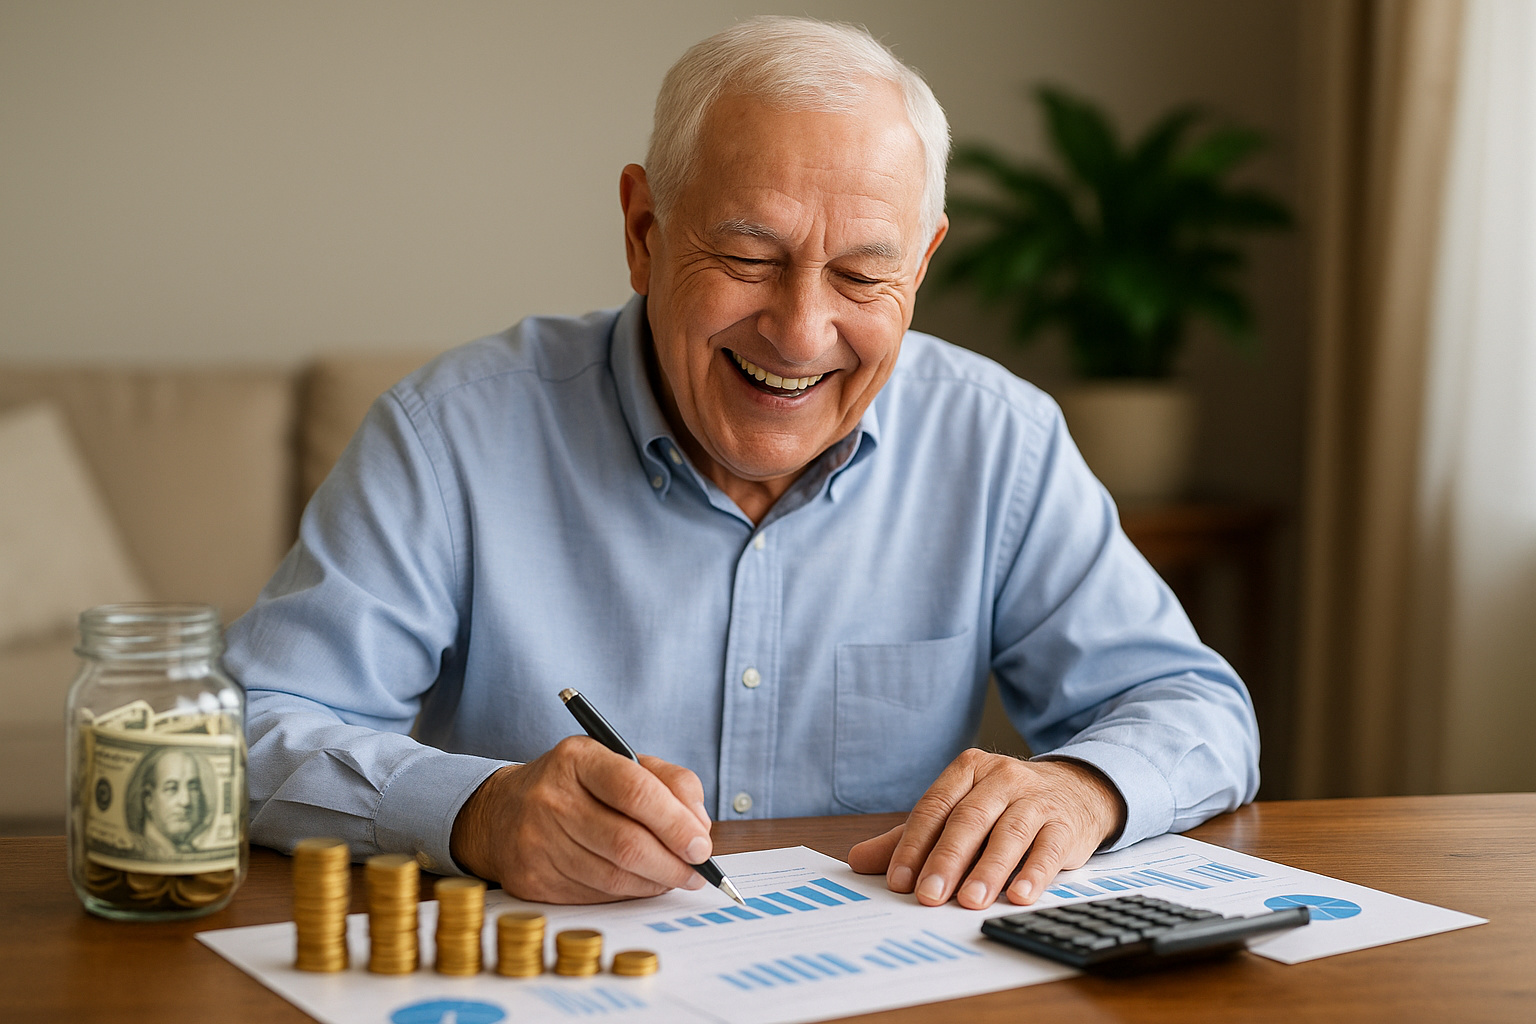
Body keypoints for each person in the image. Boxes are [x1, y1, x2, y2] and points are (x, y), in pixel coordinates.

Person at [226, 16, 1258, 910]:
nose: (802, 333)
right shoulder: (449, 434)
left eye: (863, 273)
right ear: (642, 230)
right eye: (750, 259)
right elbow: (248, 730)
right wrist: (478, 813)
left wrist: (1083, 788)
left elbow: (1198, 709)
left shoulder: (1001, 440)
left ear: (924, 263)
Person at [126, 748, 214, 857]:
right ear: (149, 800)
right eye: (172, 788)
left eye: (193, 788)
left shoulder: (186, 850)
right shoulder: (136, 849)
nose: (186, 801)